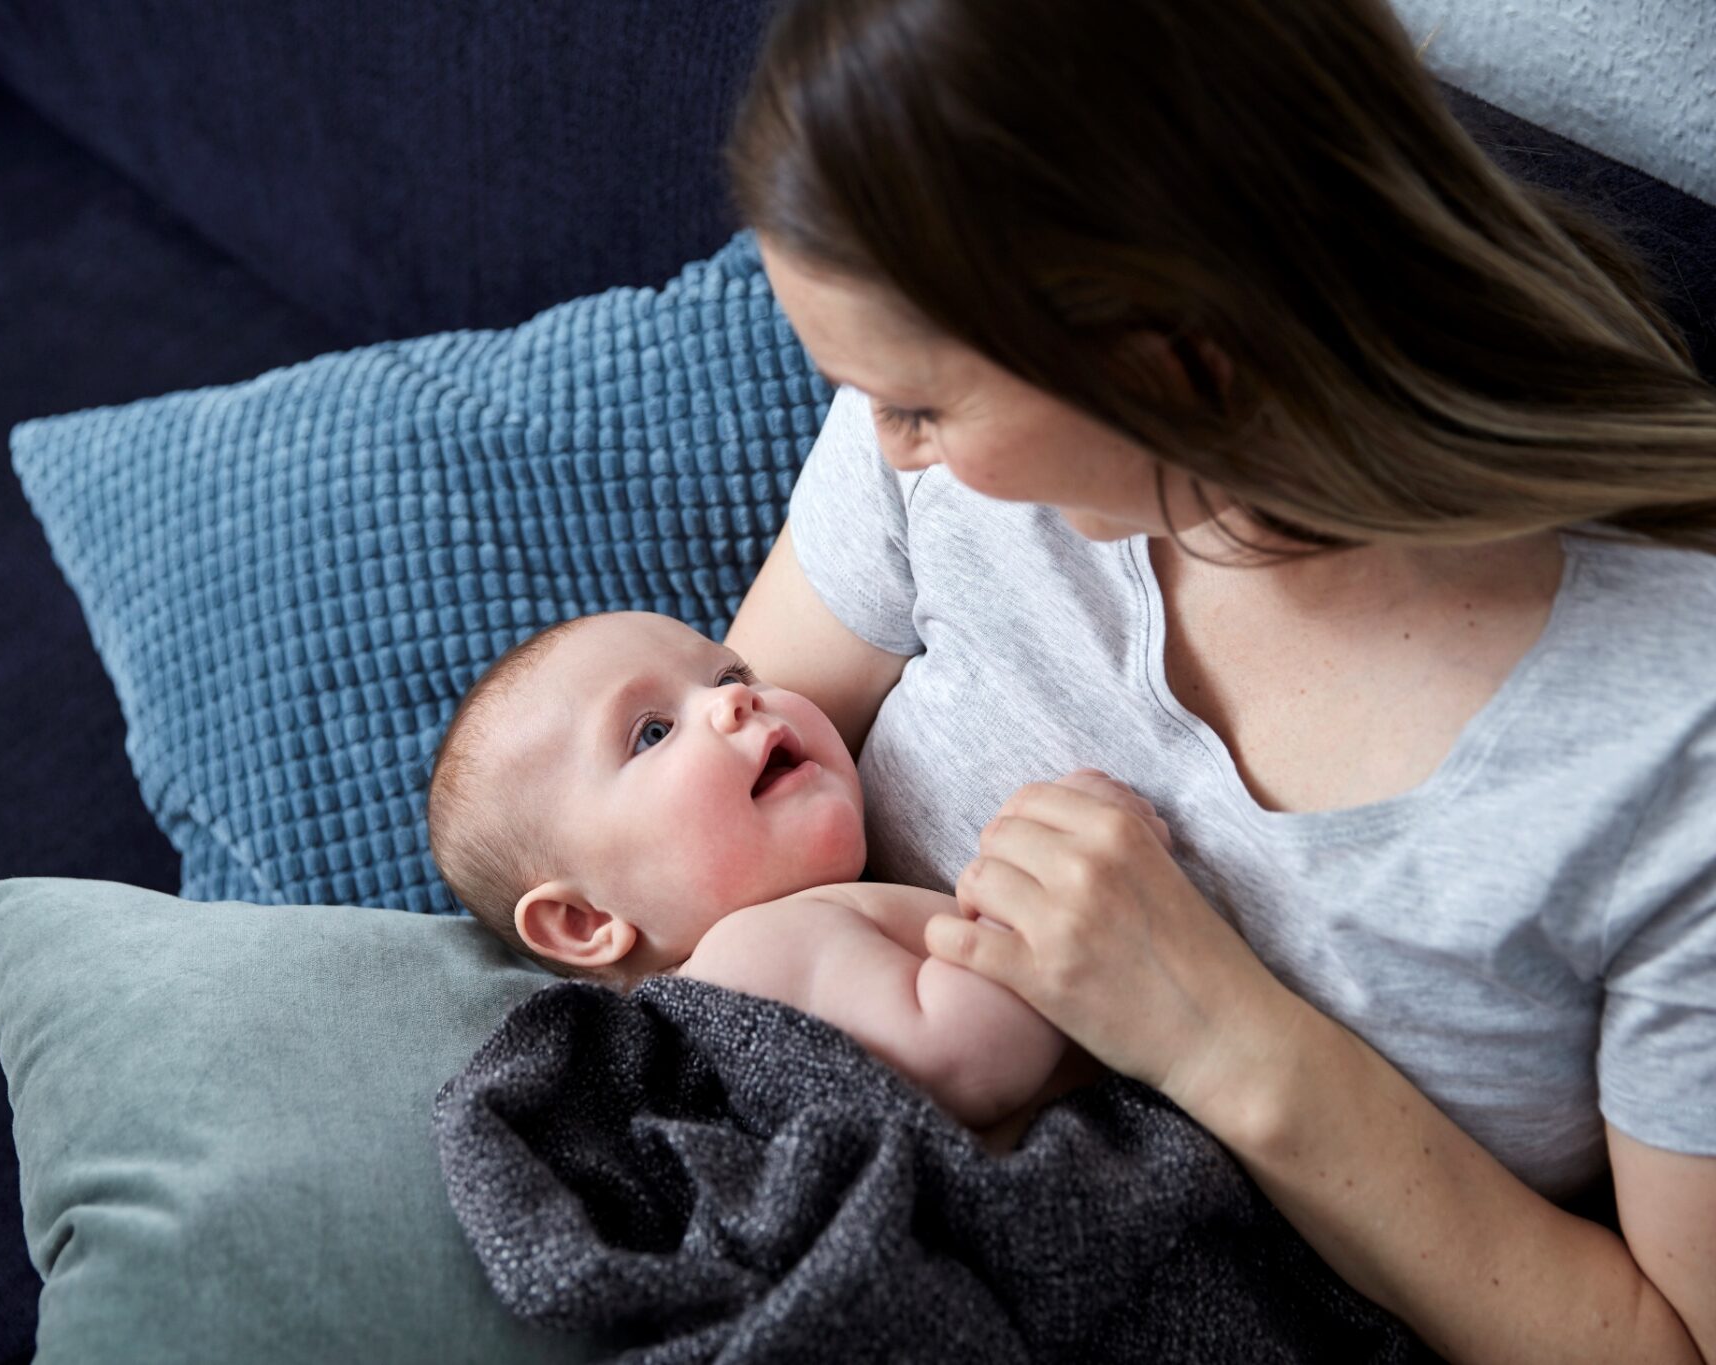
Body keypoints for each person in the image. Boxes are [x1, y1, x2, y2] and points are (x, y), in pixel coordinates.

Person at [717, 0, 1716, 1361]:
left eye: (921, 404)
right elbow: (677, 840)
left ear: (1169, 348)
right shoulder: (951, 457)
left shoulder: (1676, 734)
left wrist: (1219, 1036)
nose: (889, 449)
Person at [425, 608, 1171, 1140]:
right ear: (584, 922)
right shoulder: (752, 950)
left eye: (727, 670)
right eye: (652, 731)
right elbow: (966, 1058)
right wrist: (1046, 885)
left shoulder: (788, 932)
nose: (731, 699)